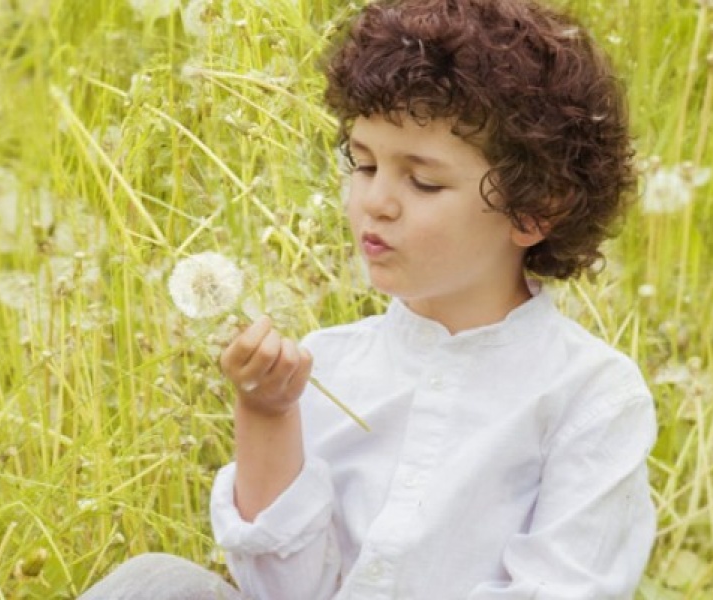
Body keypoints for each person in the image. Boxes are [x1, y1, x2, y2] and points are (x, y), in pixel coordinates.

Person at [80, 0, 656, 598]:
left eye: (423, 180)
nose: (375, 202)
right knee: (159, 583)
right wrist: (267, 414)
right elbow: (283, 591)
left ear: (536, 209)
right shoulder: (327, 367)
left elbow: (563, 588)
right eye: (362, 164)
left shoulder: (590, 397)